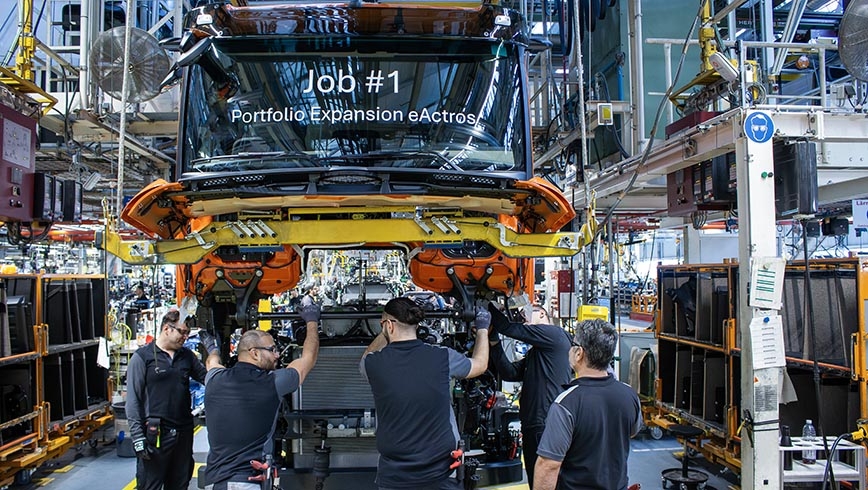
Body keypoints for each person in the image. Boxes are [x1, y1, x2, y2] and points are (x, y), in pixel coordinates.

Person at [360, 297, 490, 489]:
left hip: (395, 476)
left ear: (389, 325)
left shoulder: (374, 364)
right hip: (441, 473)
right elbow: (480, 365)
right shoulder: (442, 356)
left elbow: (365, 358)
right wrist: (482, 329)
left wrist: (384, 331)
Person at [202, 303, 321, 489]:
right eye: (272, 349)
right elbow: (308, 359)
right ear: (255, 353)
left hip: (215, 482)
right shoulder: (272, 383)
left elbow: (212, 362)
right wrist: (312, 321)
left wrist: (212, 348)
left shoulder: (214, 378)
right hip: (246, 483)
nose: (277, 355)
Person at [533, 319, 642, 490]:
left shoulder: (566, 404)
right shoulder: (629, 394)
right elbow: (632, 432)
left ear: (579, 353)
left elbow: (549, 466)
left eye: (573, 344)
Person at [126, 309, 222, 490]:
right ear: (166, 329)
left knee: (180, 484)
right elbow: (133, 400)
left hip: (183, 432)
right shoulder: (142, 357)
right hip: (156, 434)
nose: (185, 337)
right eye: (182, 332)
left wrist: (213, 351)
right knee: (150, 485)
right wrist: (137, 436)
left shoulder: (186, 356)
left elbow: (210, 380)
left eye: (187, 333)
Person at [486, 303, 572, 488]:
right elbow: (509, 372)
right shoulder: (538, 352)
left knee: (544, 481)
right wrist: (493, 338)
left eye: (527, 313)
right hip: (534, 423)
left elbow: (508, 328)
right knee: (537, 480)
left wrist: (487, 305)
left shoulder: (555, 334)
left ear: (541, 314)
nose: (523, 318)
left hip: (545, 422)